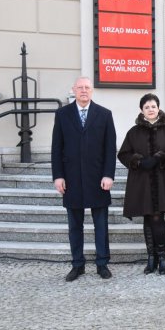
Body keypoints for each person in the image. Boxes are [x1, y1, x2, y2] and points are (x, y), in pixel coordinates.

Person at [51, 76, 116, 281]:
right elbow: (56, 148)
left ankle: (102, 263)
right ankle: (77, 265)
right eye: (80, 87)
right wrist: (58, 176)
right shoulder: (62, 115)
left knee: (101, 224)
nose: (84, 90)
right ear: (74, 90)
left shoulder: (104, 114)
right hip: (71, 179)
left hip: (98, 178)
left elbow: (110, 148)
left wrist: (108, 174)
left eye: (87, 87)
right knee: (74, 226)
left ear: (92, 91)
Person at [117, 94, 165, 275]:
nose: (151, 109)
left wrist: (161, 158)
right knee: (147, 217)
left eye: (153, 106)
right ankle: (151, 257)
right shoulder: (134, 132)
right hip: (143, 181)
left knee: (157, 217)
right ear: (142, 110)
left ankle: (163, 257)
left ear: (158, 108)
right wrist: (137, 161)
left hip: (163, 180)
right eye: (147, 107)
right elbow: (123, 154)